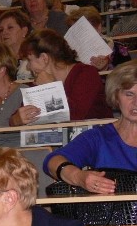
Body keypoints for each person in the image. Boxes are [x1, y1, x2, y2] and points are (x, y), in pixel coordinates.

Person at [43, 60, 137, 193]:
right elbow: (52, 161)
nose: (135, 102)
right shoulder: (99, 137)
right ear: (116, 97)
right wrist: (79, 177)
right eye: (129, 94)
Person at [14, 29, 112, 123]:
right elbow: (16, 117)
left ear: (44, 58)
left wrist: (51, 87)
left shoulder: (86, 73)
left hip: (96, 135)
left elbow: (74, 116)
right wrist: (17, 119)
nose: (28, 67)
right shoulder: (39, 80)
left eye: (30, 60)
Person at [0, 10, 32, 80]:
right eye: (1, 30)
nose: (4, 33)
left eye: (10, 28)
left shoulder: (35, 56)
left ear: (24, 31)